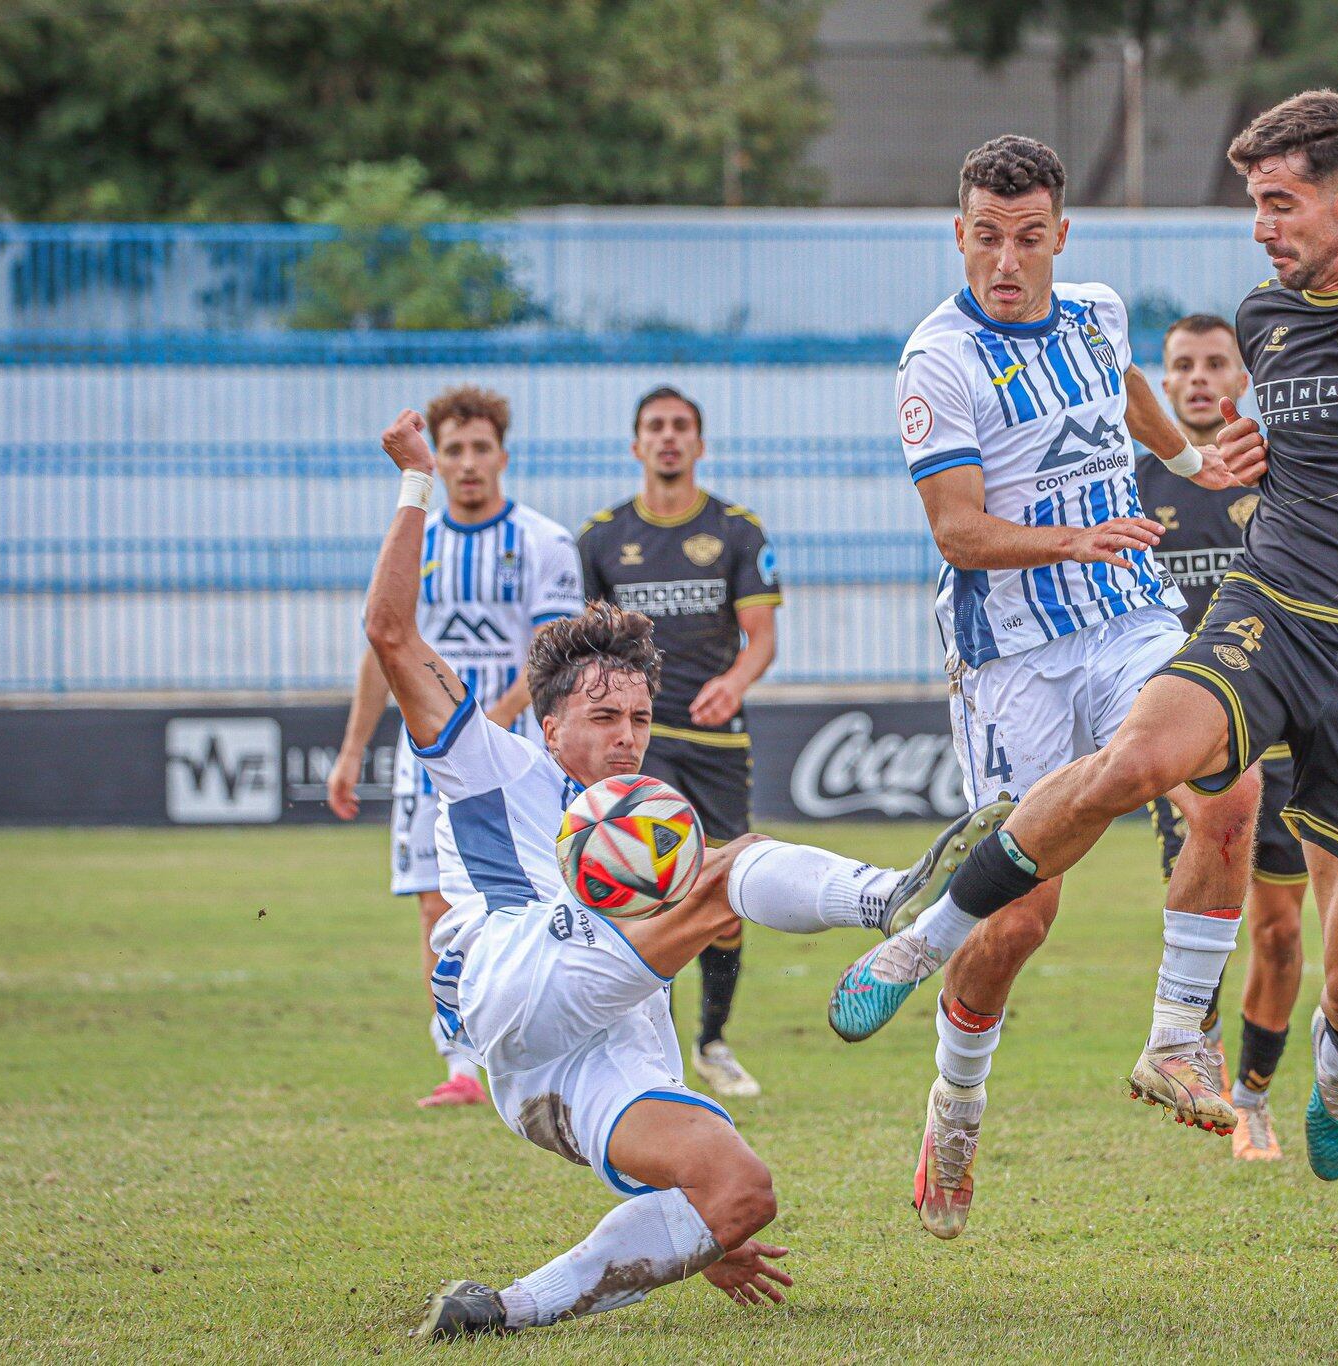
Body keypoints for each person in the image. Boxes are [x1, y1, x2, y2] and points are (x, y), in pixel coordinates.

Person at [832, 90, 1338, 1186]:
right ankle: (944, 984)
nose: (1257, 227)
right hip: (1233, 613)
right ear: (960, 235)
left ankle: (1335, 1065)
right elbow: (957, 531)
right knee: (1071, 868)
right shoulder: (1249, 319)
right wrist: (1107, 518)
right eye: (1252, 204)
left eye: (1276, 204)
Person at [367, 410, 1012, 1340]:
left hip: (580, 1059)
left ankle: (501, 1311)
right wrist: (415, 482)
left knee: (739, 1195)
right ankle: (891, 901)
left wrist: (691, 1238)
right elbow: (389, 631)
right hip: (514, 973)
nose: (626, 735)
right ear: (548, 729)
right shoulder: (491, 763)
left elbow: (709, 1201)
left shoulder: (645, 817)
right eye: (602, 717)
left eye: (637, 716)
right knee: (726, 866)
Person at [828, 134, 1261, 1238]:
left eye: (1027, 239)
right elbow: (960, 531)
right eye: (985, 239)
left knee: (1223, 771)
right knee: (1020, 919)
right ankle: (954, 1106)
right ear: (957, 235)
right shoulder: (937, 363)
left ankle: (1173, 1037)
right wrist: (1071, 537)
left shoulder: (1098, 310)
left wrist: (1192, 458)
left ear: (1059, 238)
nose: (1005, 261)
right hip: (1009, 652)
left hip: (1127, 615)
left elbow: (1123, 392)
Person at [326, 386, 580, 1109]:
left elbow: (547, 656)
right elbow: (385, 652)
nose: (467, 464)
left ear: (502, 454)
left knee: (542, 894)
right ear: (437, 457)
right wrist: (352, 751)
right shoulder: (420, 543)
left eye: (479, 448)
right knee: (437, 905)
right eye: (453, 450)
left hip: (523, 756)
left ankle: (544, 1045)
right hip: (428, 761)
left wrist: (485, 730)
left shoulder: (543, 542)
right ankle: (462, 1065)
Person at [1138, 313, 1314, 1162]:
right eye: (1183, 366)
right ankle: (1190, 1057)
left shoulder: (1283, 475)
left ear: (1242, 380)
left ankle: (1254, 1098)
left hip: (1288, 733)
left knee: (1280, 935)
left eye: (1216, 364)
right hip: (1192, 743)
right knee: (1208, 917)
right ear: (1164, 384)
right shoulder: (1135, 484)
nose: (1200, 378)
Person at [578, 387, 783, 1100]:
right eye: (655, 428)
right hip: (643, 741)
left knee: (726, 891)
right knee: (649, 891)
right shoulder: (602, 538)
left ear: (699, 443)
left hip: (718, 740)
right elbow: (586, 648)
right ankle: (652, 1050)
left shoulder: (735, 531)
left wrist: (734, 681)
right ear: (636, 445)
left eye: (681, 428)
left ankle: (712, 1041)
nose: (668, 439)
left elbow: (762, 639)